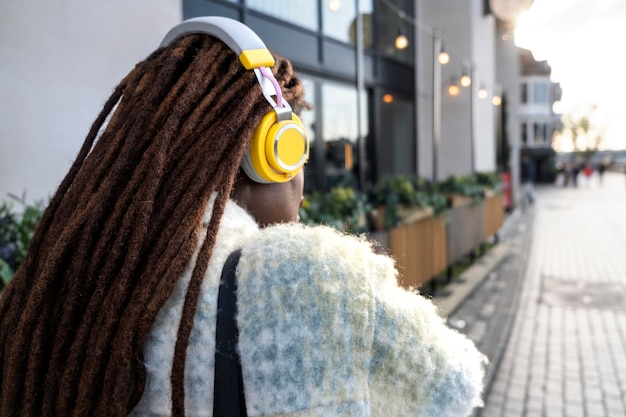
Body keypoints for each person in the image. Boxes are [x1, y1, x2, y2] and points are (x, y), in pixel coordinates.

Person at [0, 17, 486, 417]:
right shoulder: (312, 272)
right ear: (272, 152)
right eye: (299, 155)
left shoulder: (80, 277)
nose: (302, 183)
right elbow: (454, 387)